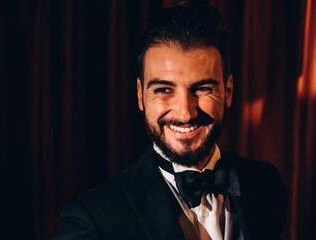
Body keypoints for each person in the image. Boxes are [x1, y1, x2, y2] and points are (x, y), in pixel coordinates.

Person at [54, 1, 287, 239]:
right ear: (140, 95)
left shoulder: (266, 184)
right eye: (164, 90)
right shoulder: (93, 220)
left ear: (228, 92)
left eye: (203, 88)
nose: (185, 113)